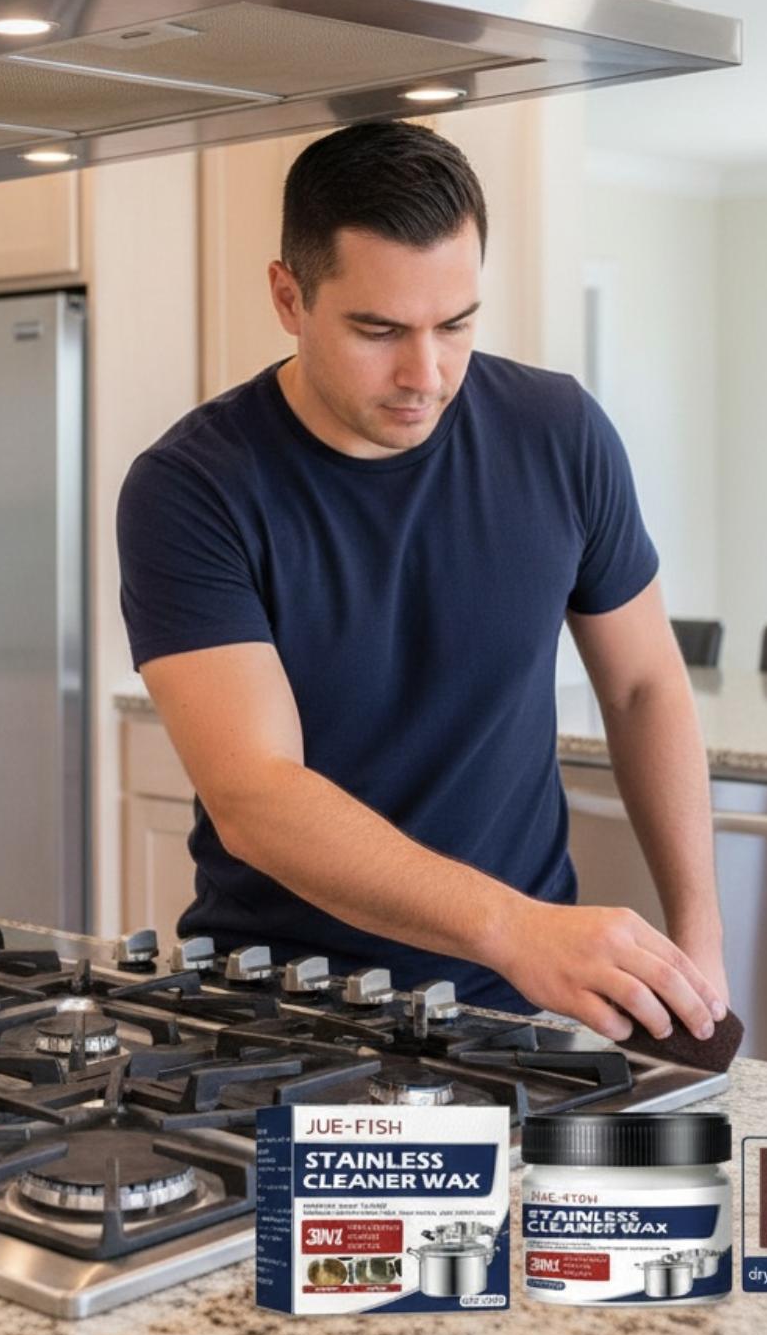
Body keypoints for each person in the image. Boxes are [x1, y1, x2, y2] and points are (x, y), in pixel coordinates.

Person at [115, 119, 727, 1044]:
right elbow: (256, 796)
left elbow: (643, 686)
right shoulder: (194, 487)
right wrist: (516, 928)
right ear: (288, 296)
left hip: (512, 1010)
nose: (426, 374)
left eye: (457, 324)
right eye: (379, 330)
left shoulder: (559, 434)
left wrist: (700, 937)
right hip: (282, 1011)